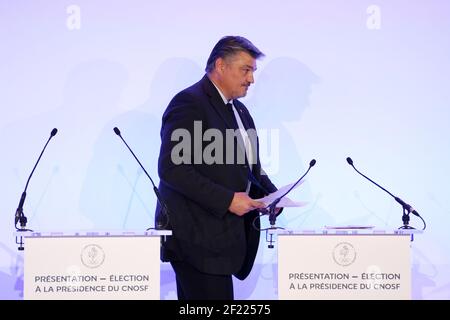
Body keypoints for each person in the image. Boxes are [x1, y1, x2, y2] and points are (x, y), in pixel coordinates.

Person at [155, 36, 281, 300]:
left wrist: (273, 196)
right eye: (245, 70)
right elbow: (172, 169)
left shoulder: (240, 111)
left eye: (253, 72)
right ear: (221, 65)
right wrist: (227, 200)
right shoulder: (189, 103)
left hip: (224, 242)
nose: (251, 79)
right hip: (197, 240)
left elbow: (250, 169)